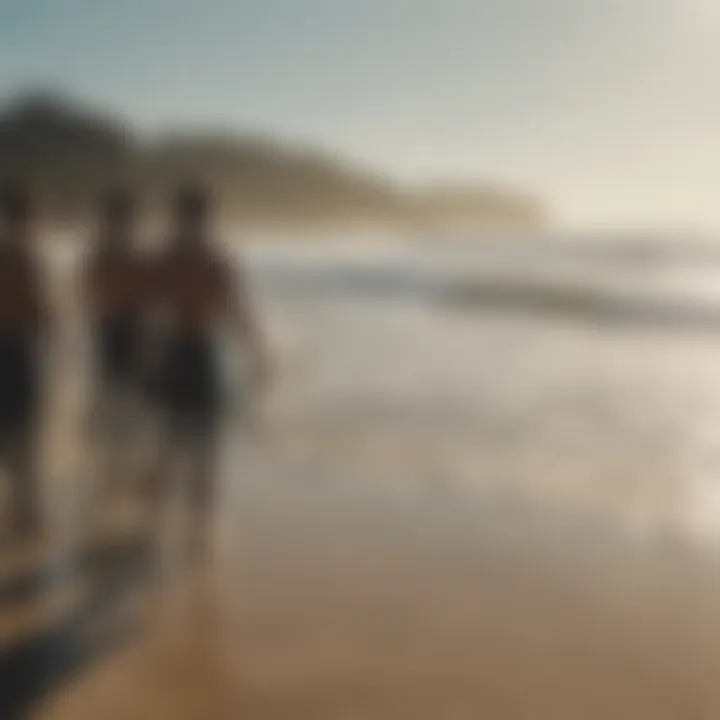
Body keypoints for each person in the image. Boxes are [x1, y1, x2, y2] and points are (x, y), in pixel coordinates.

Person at [146, 185, 269, 552]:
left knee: (170, 441)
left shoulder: (167, 258)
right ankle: (197, 532)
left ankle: (158, 524)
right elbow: (236, 311)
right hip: (203, 354)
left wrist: (145, 358)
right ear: (207, 218)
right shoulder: (215, 260)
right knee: (205, 447)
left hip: (175, 352)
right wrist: (257, 351)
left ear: (178, 216)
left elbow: (151, 314)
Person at [81, 190, 148, 500]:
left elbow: (86, 293)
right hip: (128, 331)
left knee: (111, 396)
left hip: (108, 328)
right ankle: (119, 471)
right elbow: (144, 301)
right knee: (130, 403)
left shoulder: (99, 253)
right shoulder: (132, 254)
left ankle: (110, 470)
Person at [0, 185, 49, 541]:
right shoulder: (24, 256)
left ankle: (22, 509)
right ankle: (24, 511)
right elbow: (38, 312)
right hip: (15, 349)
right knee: (23, 433)